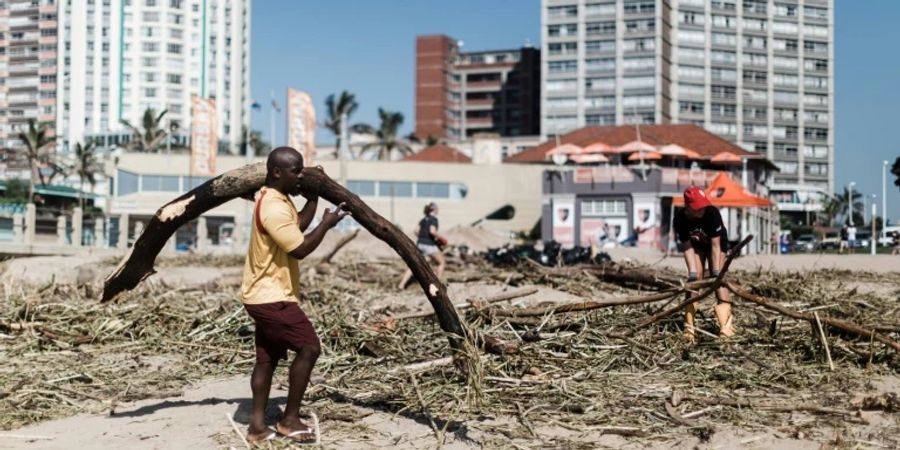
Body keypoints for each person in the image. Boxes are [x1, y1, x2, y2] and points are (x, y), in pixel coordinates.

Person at [241, 147, 349, 443]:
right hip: (272, 297)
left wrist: (313, 200)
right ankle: (289, 420)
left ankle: (257, 428)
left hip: (260, 294)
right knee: (309, 348)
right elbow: (299, 248)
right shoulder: (273, 207)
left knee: (267, 360)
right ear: (277, 172)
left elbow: (296, 226)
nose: (301, 175)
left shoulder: (274, 198)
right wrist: (326, 225)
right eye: (296, 171)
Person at [673, 186, 735, 341]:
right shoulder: (680, 219)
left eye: (703, 205)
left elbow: (715, 246)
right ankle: (689, 327)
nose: (702, 209)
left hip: (717, 245)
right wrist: (693, 274)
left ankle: (726, 327)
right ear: (688, 207)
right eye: (697, 207)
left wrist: (715, 273)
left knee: (719, 281)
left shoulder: (712, 213)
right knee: (695, 281)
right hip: (697, 247)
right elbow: (687, 247)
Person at [397, 202, 447, 290]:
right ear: (434, 209)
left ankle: (401, 285)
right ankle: (438, 285)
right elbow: (432, 231)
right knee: (441, 262)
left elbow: (416, 230)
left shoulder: (424, 219)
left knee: (416, 264)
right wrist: (442, 238)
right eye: (437, 208)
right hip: (429, 245)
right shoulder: (434, 219)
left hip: (420, 244)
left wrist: (423, 237)